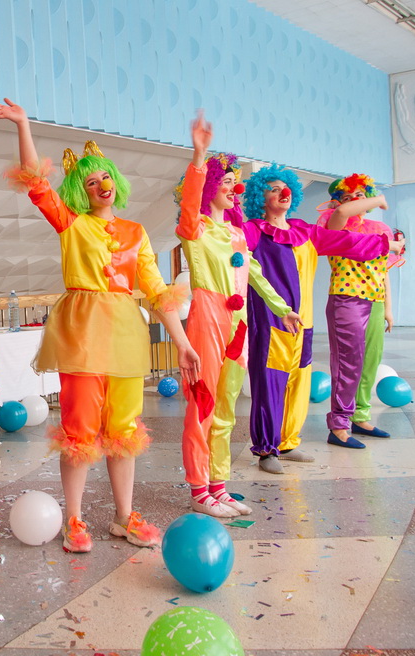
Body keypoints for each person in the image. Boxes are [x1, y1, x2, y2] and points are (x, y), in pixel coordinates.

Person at [0, 98, 200, 551]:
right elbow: (36, 182)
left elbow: (157, 291)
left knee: (124, 430)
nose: (101, 184)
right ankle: (74, 519)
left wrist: (182, 343)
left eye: (105, 176)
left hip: (125, 336)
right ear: (80, 192)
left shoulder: (137, 232)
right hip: (82, 335)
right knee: (80, 429)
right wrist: (23, 125)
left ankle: (124, 516)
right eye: (90, 181)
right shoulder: (71, 225)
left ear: (116, 181)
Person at [174, 113, 301, 517]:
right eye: (227, 182)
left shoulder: (235, 233)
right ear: (210, 187)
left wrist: (282, 309)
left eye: (235, 182)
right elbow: (189, 204)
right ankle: (199, 489)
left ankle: (218, 484)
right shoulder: (196, 230)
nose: (235, 188)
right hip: (208, 318)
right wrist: (200, 155)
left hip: (238, 322)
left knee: (226, 407)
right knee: (203, 404)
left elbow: (256, 274)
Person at [241, 166, 402, 470]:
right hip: (272, 321)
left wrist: (385, 244)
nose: (283, 192)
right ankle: (266, 449)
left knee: (299, 383)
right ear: (260, 197)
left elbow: (347, 242)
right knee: (270, 384)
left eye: (285, 188)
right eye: (273, 189)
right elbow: (232, 246)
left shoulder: (304, 230)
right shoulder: (254, 231)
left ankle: (288, 442)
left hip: (304, 323)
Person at [318, 174, 402, 447]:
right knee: (347, 363)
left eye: (360, 196)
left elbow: (383, 271)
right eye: (348, 196)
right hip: (347, 299)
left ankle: (360, 416)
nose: (355, 200)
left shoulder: (379, 228)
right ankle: (339, 425)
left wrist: (388, 308)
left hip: (375, 300)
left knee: (370, 361)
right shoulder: (336, 223)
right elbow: (343, 212)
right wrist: (378, 199)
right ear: (337, 202)